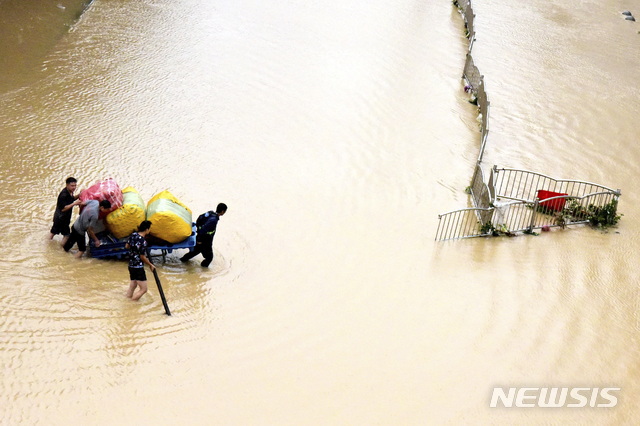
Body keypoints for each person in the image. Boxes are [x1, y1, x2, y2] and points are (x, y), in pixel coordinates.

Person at [180, 203, 227, 267]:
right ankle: (203, 270)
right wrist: (200, 239)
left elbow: (199, 218)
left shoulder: (210, 213)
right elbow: (204, 228)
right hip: (205, 241)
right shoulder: (213, 220)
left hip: (200, 239)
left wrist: (198, 231)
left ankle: (181, 261)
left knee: (193, 252)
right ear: (222, 211)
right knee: (209, 257)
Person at [125, 220, 155, 301]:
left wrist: (133, 249)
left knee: (133, 285)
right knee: (144, 289)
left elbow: (127, 246)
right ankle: (131, 304)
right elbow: (142, 257)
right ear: (146, 230)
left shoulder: (133, 235)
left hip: (131, 265)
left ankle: (127, 300)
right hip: (138, 267)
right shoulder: (143, 241)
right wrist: (150, 264)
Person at [48, 177, 82, 245]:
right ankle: (61, 249)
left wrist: (79, 195)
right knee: (67, 235)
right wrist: (74, 204)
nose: (74, 187)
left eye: (75, 186)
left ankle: (47, 244)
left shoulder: (70, 192)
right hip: (62, 218)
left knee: (53, 232)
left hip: (60, 217)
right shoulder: (63, 195)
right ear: (67, 185)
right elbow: (64, 208)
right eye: (72, 186)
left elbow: (71, 199)